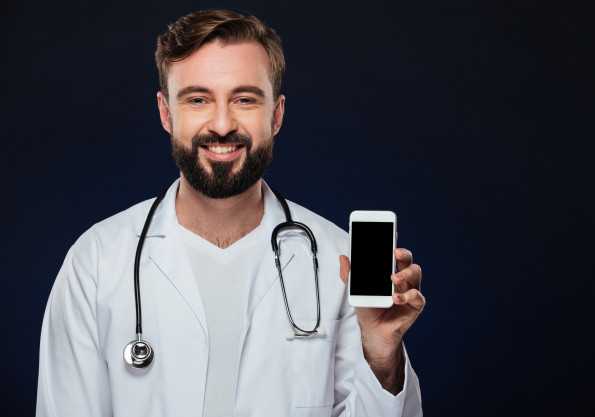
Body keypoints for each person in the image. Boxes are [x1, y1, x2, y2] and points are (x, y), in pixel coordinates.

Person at [36, 9, 426, 417]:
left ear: (276, 115)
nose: (221, 125)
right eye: (198, 99)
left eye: (244, 99)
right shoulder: (95, 264)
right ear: (166, 113)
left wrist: (382, 357)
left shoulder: (340, 263)